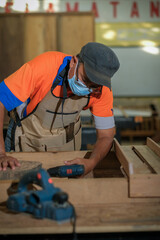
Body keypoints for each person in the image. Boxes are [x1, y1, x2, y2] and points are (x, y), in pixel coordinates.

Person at [0, 42, 120, 175]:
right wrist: (1, 154)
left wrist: (91, 163)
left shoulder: (102, 90)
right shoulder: (44, 66)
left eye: (94, 86)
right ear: (74, 61)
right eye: (85, 80)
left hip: (66, 146)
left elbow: (106, 136)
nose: (87, 89)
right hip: (27, 140)